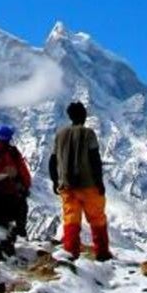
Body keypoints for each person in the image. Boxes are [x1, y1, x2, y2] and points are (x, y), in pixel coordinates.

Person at [48, 101, 111, 261]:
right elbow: (94, 159)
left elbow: (52, 161)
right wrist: (99, 182)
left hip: (67, 186)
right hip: (88, 184)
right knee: (97, 218)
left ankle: (70, 252)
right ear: (83, 115)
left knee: (71, 219)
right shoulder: (88, 133)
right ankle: (102, 253)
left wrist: (55, 181)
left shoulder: (60, 135)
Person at [0, 123, 32, 237]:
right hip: (13, 204)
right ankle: (20, 231)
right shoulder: (14, 154)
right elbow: (26, 177)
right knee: (23, 204)